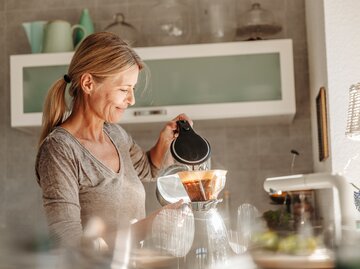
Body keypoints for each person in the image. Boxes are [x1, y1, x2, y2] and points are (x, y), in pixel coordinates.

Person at [35, 32, 190, 251]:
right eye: (124, 90)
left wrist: (166, 139)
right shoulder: (59, 150)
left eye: (132, 90)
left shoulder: (116, 134)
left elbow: (147, 171)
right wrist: (151, 225)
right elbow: (69, 244)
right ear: (88, 83)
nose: (132, 100)